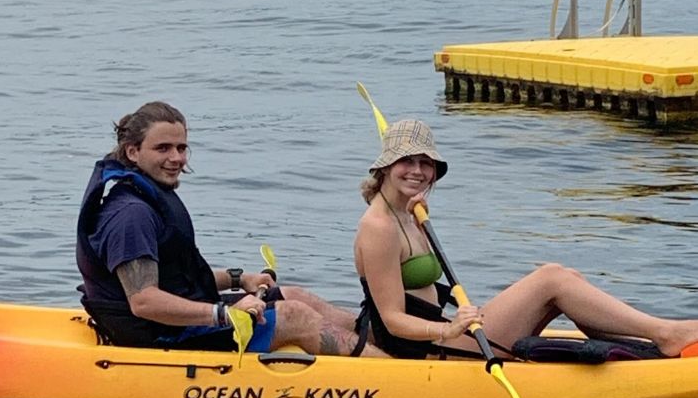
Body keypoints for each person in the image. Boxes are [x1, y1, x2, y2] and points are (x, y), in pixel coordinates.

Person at [353, 118, 698, 360]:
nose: (417, 170)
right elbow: (393, 320)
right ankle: (666, 334)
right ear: (385, 167)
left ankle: (636, 346)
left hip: (442, 334)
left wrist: (416, 216)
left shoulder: (407, 212)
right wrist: (449, 330)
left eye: (425, 163)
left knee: (569, 277)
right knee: (553, 279)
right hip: (428, 349)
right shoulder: (379, 227)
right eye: (406, 161)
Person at [76, 101, 387, 357]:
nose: (176, 158)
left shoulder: (148, 196)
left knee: (293, 295)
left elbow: (178, 279)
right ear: (133, 151)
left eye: (182, 148)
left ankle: (398, 345)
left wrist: (238, 279)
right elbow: (144, 301)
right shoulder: (130, 215)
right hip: (159, 336)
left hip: (172, 323)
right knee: (295, 316)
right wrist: (223, 314)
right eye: (163, 148)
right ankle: (393, 377)